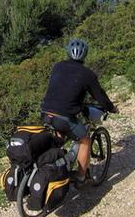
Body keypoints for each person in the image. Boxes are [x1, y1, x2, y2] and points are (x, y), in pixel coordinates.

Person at [41, 38, 117, 188]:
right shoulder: (87, 74)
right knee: (85, 140)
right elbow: (100, 96)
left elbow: (63, 89)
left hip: (45, 112)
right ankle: (81, 176)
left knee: (59, 136)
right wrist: (110, 107)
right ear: (85, 55)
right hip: (64, 117)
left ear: (68, 52)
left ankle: (59, 163)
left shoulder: (58, 66)